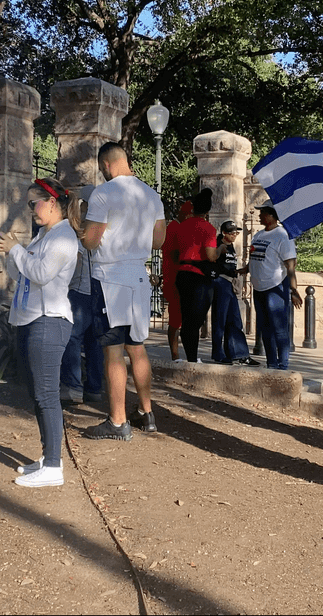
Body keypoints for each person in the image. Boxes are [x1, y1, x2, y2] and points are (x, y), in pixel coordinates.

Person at [0, 177, 80, 487]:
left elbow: (41, 274)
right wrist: (10, 251)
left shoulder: (64, 237)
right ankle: (48, 457)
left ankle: (54, 467)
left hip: (49, 320)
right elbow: (23, 272)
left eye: (35, 203)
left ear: (53, 203)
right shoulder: (46, 235)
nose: (31, 210)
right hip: (33, 319)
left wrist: (16, 249)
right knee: (37, 393)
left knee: (46, 395)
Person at [80, 142, 166, 440]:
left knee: (113, 351)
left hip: (110, 277)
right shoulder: (151, 194)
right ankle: (146, 412)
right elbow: (158, 241)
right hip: (138, 276)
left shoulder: (103, 193)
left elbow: (91, 241)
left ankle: (117, 421)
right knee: (137, 346)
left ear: (105, 165)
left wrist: (78, 224)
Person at [241, 203, 301, 370]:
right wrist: (244, 270)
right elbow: (254, 257)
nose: (260, 216)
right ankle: (271, 363)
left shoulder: (283, 236)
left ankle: (282, 365)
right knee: (264, 328)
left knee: (279, 329)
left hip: (275, 288)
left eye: (264, 213)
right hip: (259, 289)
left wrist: (293, 290)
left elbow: (290, 266)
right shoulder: (259, 235)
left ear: (273, 216)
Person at [59, 189, 105, 407]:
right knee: (94, 341)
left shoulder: (75, 231)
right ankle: (95, 387)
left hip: (79, 291)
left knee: (73, 338)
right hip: (99, 290)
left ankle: (73, 386)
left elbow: (75, 263)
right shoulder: (103, 230)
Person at [173, 188, 219, 363]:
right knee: (196, 319)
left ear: (193, 208)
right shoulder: (208, 228)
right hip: (199, 277)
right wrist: (220, 250)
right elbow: (210, 255)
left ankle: (191, 356)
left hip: (182, 274)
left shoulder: (182, 226)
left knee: (187, 316)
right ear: (208, 211)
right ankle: (192, 359)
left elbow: (176, 253)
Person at [210, 220, 256, 366]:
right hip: (220, 283)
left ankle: (239, 354)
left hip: (230, 283)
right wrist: (220, 249)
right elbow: (213, 258)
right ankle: (218, 353)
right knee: (220, 320)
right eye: (232, 233)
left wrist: (240, 272)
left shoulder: (231, 247)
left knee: (235, 319)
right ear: (224, 233)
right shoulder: (219, 244)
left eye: (236, 232)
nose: (235, 235)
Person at [159, 200, 193, 361]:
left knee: (180, 318)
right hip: (174, 279)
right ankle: (175, 355)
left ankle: (179, 354)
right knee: (175, 319)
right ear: (187, 214)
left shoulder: (176, 227)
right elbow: (174, 254)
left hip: (178, 278)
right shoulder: (174, 228)